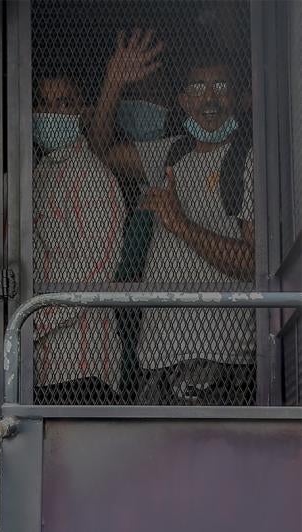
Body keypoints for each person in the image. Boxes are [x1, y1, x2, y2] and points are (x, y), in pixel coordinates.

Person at [90, 29, 256, 406]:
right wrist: (113, 83)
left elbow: (252, 261)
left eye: (220, 86)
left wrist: (180, 224)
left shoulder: (250, 158)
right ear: (182, 100)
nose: (209, 98)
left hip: (220, 358)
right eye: (197, 88)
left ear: (238, 97)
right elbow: (97, 156)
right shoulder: (171, 154)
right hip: (157, 359)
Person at [30, 65, 127, 405]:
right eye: (44, 103)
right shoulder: (38, 175)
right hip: (43, 364)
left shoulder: (92, 178)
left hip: (85, 365)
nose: (53, 112)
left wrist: (33, 319)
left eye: (64, 102)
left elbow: (93, 273)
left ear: (82, 111)